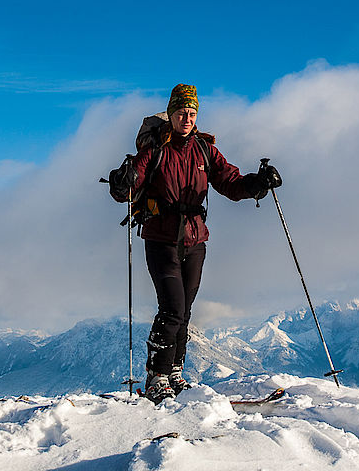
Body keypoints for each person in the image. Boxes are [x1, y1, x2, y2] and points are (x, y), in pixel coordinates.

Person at [109, 83, 282, 403]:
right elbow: (127, 188)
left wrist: (258, 184)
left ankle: (175, 373)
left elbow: (230, 182)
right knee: (172, 308)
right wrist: (122, 184)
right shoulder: (156, 150)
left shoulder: (205, 150)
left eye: (191, 113)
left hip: (195, 240)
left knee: (184, 311)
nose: (186, 118)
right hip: (160, 239)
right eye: (180, 113)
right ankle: (156, 376)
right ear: (171, 115)